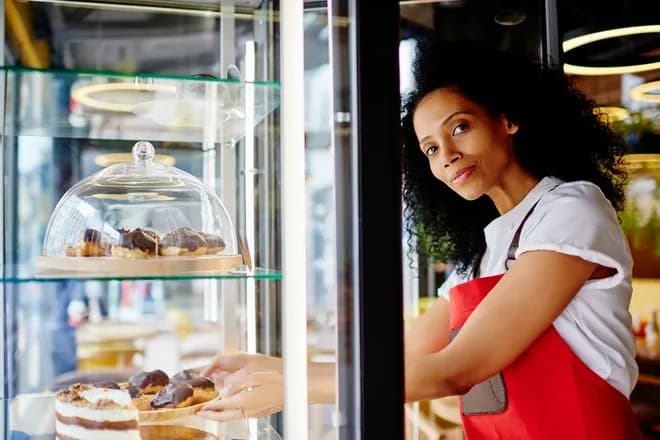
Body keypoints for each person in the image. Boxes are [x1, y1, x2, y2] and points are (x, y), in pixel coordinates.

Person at [198, 38, 643, 439]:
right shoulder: (484, 251)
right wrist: (277, 368)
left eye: (459, 128)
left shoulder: (570, 209)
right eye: (430, 148)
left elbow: (456, 369)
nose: (446, 155)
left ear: (507, 120)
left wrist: (294, 388)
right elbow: (404, 357)